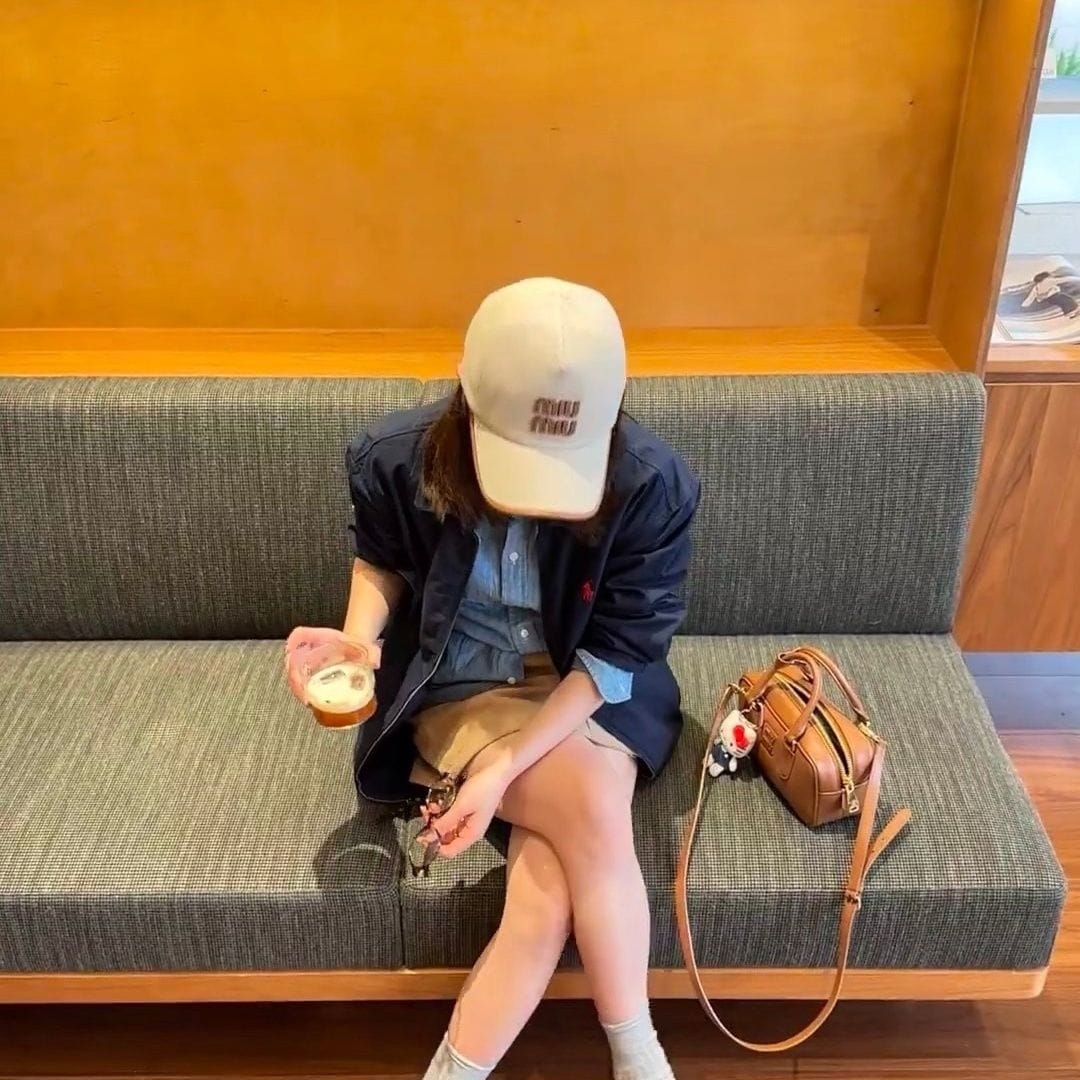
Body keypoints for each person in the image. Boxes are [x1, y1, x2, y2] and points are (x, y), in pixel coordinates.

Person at [286, 277, 700, 1080]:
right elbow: (382, 561)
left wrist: (502, 769)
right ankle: (640, 1058)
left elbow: (618, 651)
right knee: (591, 812)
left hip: (585, 683)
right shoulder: (396, 457)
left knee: (546, 892)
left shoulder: (653, 484)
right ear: (466, 396)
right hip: (465, 682)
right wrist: (358, 643)